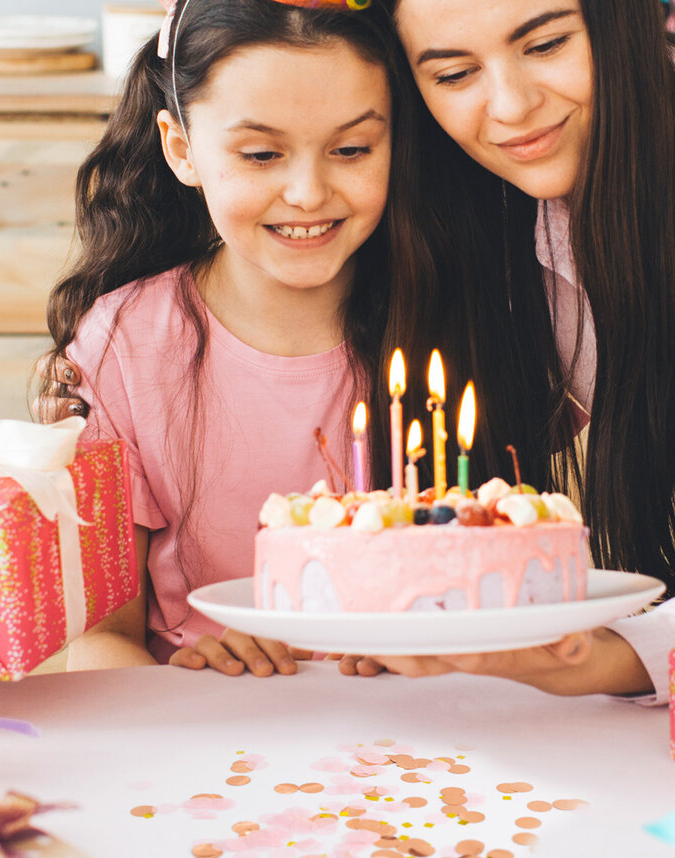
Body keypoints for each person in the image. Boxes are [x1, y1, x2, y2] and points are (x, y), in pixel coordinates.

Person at [38, 0, 432, 672]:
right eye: (260, 153)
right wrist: (188, 688)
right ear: (182, 149)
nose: (308, 192)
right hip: (207, 740)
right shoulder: (123, 345)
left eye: (351, 149)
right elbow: (102, 638)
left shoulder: (451, 320)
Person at [327, 0, 675, 699]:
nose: (512, 106)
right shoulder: (455, 233)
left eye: (546, 45)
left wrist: (590, 661)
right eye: (455, 73)